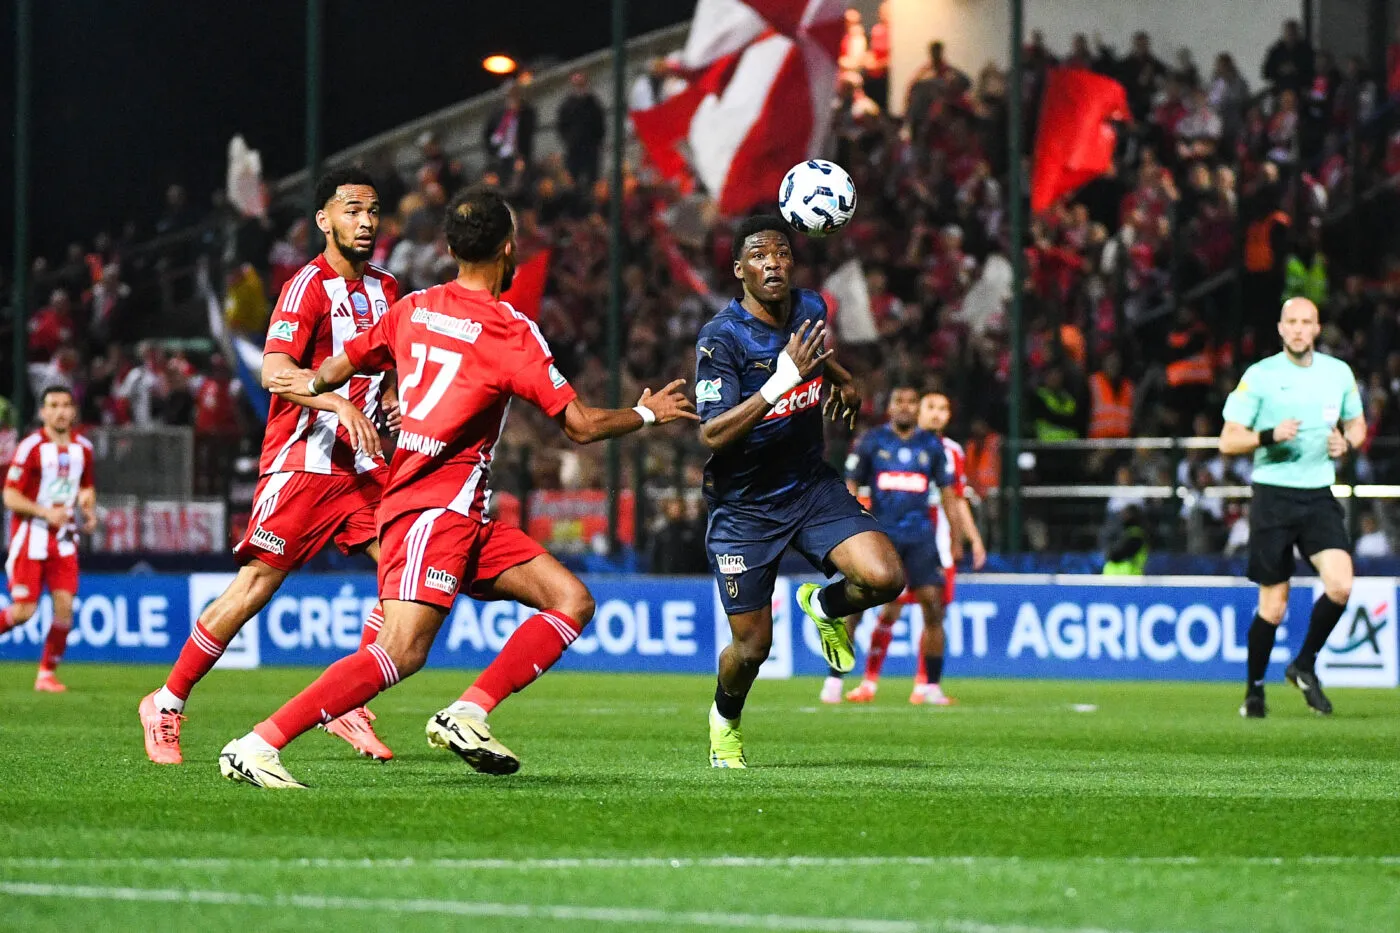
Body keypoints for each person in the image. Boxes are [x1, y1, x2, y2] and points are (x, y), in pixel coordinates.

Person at [216, 184, 696, 788]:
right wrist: (647, 413)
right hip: (430, 509)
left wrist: (324, 392)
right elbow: (580, 426)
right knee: (400, 651)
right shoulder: (511, 331)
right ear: (508, 247)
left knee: (571, 600)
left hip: (460, 513)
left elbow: (338, 366)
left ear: (449, 247)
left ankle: (468, 712)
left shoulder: (411, 307)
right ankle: (257, 745)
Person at [138, 168, 401, 765]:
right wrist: (334, 399)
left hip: (360, 466)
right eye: (352, 210)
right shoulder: (305, 287)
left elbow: (386, 366)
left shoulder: (387, 288)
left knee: (404, 571)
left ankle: (350, 704)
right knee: (256, 586)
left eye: (373, 211)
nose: (365, 221)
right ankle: (167, 701)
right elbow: (273, 370)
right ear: (323, 220)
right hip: (303, 462)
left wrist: (389, 399)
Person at [696, 215, 905, 768]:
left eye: (783, 253)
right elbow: (712, 432)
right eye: (760, 255)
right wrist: (779, 381)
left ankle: (825, 603)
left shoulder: (810, 307)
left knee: (885, 577)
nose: (774, 262)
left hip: (809, 486)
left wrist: (841, 378)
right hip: (744, 507)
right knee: (752, 649)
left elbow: (813, 353)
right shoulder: (721, 339)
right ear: (740, 270)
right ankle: (725, 720)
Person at [1220, 297, 1366, 718]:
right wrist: (1268, 435)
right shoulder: (1261, 376)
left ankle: (1304, 664)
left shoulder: (1338, 373)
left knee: (1340, 584)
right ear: (1281, 329)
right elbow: (1228, 440)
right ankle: (1254, 690)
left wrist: (1348, 441)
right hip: (1273, 496)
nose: (1300, 329)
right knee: (1274, 605)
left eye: (1307, 322)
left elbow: (1356, 422)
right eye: (1292, 322)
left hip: (1319, 494)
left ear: (1317, 329)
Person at [831, 390, 987, 706]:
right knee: (862, 604)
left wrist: (959, 540)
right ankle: (837, 678)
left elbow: (951, 496)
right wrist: (850, 526)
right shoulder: (873, 441)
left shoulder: (938, 448)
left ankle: (928, 685)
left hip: (923, 539)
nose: (907, 408)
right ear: (889, 407)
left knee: (933, 608)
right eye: (899, 401)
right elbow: (850, 483)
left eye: (913, 403)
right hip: (880, 536)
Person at [0, 386, 97, 692]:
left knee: (65, 607)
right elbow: (10, 495)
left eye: (66, 405)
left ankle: (46, 674)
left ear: (74, 411)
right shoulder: (30, 447)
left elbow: (85, 486)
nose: (60, 411)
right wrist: (43, 512)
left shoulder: (83, 448)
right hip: (31, 538)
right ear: (42, 412)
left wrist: (88, 507)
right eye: (53, 405)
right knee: (23, 612)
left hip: (65, 539)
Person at [556, 72, 606, 190]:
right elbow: (562, 126)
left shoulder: (593, 102)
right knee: (573, 180)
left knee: (592, 180)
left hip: (591, 148)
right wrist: (569, 140)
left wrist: (597, 141)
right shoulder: (567, 105)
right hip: (574, 148)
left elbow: (600, 125)